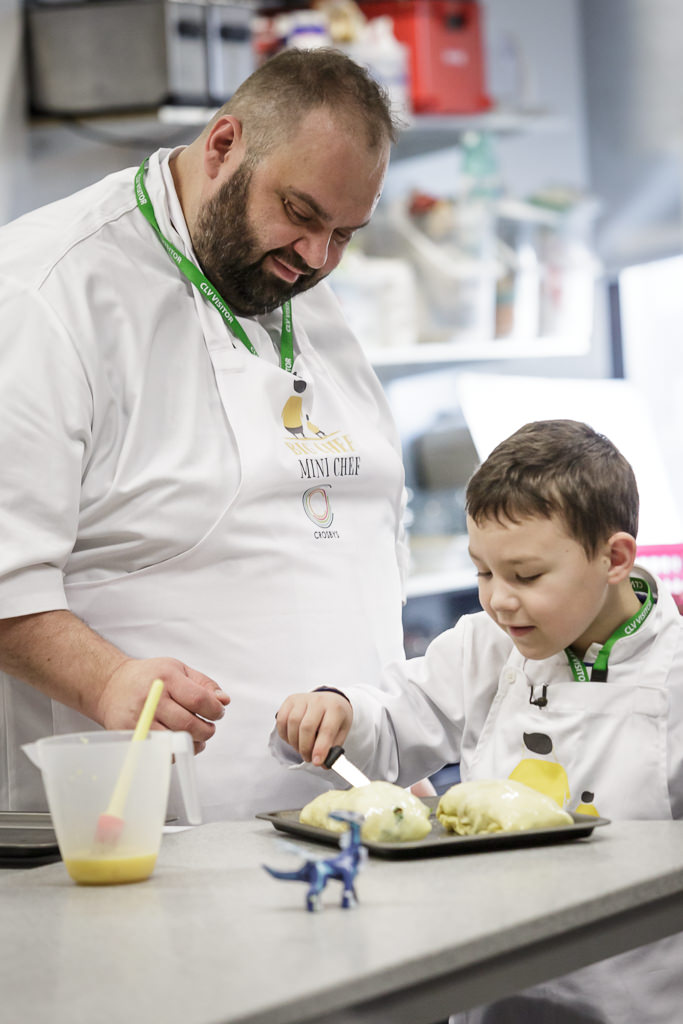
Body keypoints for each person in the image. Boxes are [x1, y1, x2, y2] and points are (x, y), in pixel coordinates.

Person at [0, 47, 410, 820]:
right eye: (300, 213)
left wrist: (398, 734)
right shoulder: (44, 292)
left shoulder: (293, 281)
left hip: (354, 823)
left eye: (345, 234)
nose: (317, 257)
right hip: (144, 842)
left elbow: (367, 524)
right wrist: (108, 681)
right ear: (224, 146)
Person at [273, 419, 683, 1024]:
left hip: (630, 998)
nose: (498, 600)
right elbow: (397, 718)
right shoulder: (486, 646)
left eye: (526, 576)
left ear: (615, 558)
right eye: (483, 573)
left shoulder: (672, 674)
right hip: (491, 985)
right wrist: (341, 709)